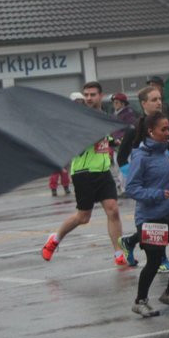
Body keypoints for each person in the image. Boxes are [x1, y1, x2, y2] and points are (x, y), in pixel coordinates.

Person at [41, 82, 129, 267]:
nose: (89, 98)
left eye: (92, 95)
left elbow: (106, 138)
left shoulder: (104, 116)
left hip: (103, 171)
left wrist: (113, 140)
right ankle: (55, 239)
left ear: (100, 96)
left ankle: (119, 254)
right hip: (83, 172)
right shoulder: (78, 118)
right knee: (83, 217)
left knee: (113, 209)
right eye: (86, 95)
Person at [124, 112, 169, 317]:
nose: (168, 132)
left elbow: (167, 178)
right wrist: (156, 194)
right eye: (163, 129)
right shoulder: (140, 156)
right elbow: (132, 188)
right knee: (154, 261)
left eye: (168, 128)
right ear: (150, 131)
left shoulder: (164, 152)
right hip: (149, 218)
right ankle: (140, 301)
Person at [116, 85, 169, 270]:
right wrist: (136, 176)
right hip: (146, 186)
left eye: (159, 98)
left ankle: (130, 241)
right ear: (143, 104)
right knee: (155, 220)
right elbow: (122, 158)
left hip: (164, 179)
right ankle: (160, 258)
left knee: (165, 216)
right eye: (153, 99)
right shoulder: (135, 128)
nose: (158, 102)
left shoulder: (164, 124)